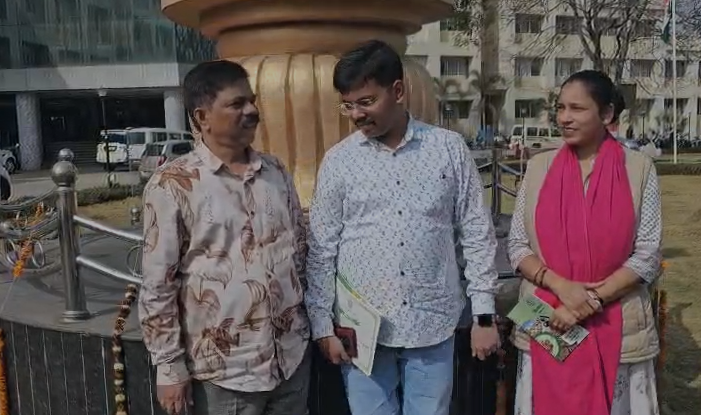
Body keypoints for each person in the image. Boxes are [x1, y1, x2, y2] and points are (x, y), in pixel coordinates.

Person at [304, 39, 501, 415]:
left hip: (432, 322)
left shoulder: (447, 149)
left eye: (366, 102)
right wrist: (322, 325)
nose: (356, 114)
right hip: (363, 332)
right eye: (348, 105)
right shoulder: (339, 161)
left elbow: (477, 233)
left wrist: (484, 315)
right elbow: (322, 249)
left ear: (397, 91)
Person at [138, 60, 310, 415]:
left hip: (290, 361)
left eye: (252, 101)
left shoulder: (276, 172)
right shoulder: (173, 184)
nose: (252, 111)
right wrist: (168, 366)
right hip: (224, 374)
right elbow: (158, 284)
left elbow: (300, 253)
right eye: (236, 104)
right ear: (202, 117)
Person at [508, 70, 661, 415]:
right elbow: (517, 245)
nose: (564, 117)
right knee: (550, 400)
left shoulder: (639, 169)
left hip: (617, 320)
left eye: (576, 108)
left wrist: (586, 302)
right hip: (544, 314)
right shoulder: (538, 167)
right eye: (560, 108)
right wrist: (561, 287)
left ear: (606, 114)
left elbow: (648, 254)